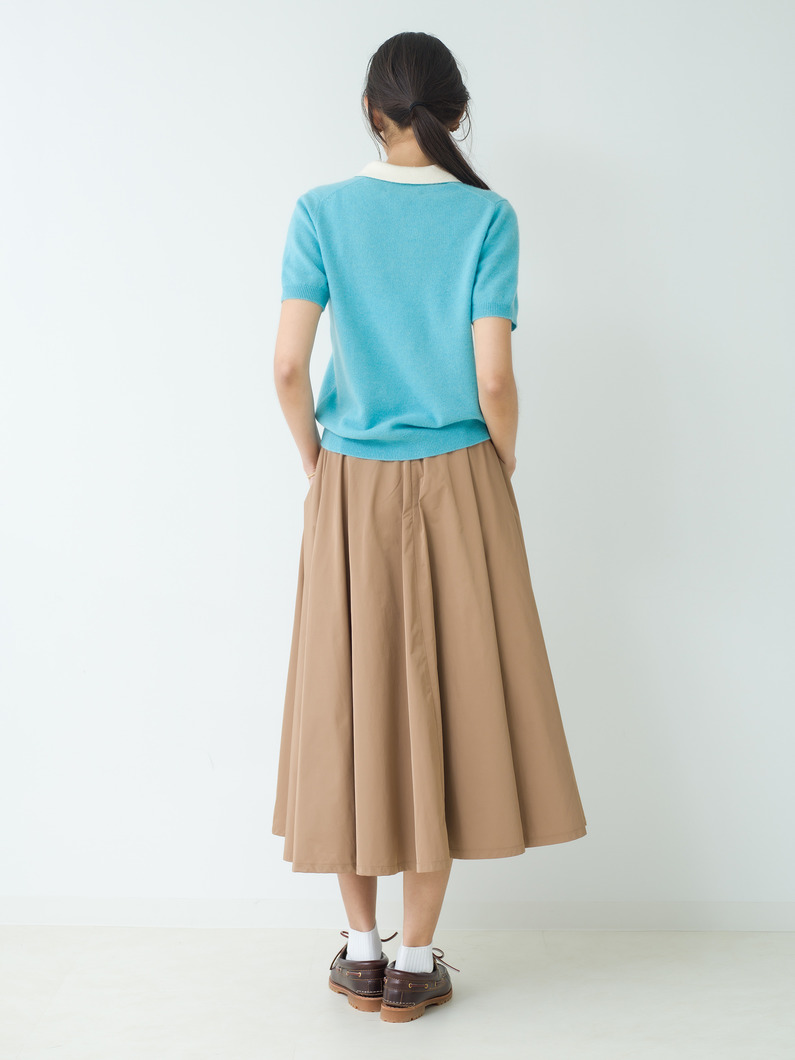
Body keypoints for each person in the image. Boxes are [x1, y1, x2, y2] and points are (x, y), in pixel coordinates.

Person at [271, 30, 588, 1023]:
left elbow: (287, 367)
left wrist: (317, 460)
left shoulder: (321, 210)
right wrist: (502, 458)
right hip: (460, 478)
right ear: (455, 114)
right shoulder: (486, 216)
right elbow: (494, 377)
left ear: (372, 111)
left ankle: (361, 950)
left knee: (348, 695)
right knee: (443, 702)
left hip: (352, 477)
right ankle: (415, 961)